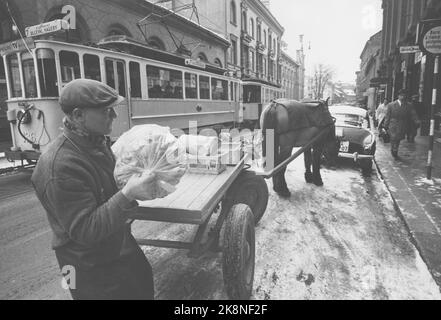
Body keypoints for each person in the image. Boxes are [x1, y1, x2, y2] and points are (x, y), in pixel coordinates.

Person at [31, 79, 157, 300]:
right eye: (107, 111)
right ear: (78, 115)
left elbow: (111, 186)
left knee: (143, 282)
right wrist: (129, 193)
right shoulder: (59, 166)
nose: (114, 116)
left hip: (116, 243)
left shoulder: (95, 141)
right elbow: (85, 230)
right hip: (83, 263)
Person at [383, 89, 419, 159]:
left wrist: (417, 121)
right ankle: (394, 149)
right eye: (401, 95)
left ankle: (395, 149)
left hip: (403, 124)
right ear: (398, 96)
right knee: (393, 138)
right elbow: (388, 116)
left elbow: (413, 114)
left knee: (398, 139)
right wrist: (385, 125)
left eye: (404, 95)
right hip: (393, 125)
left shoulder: (409, 105)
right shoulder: (391, 105)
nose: (403, 97)